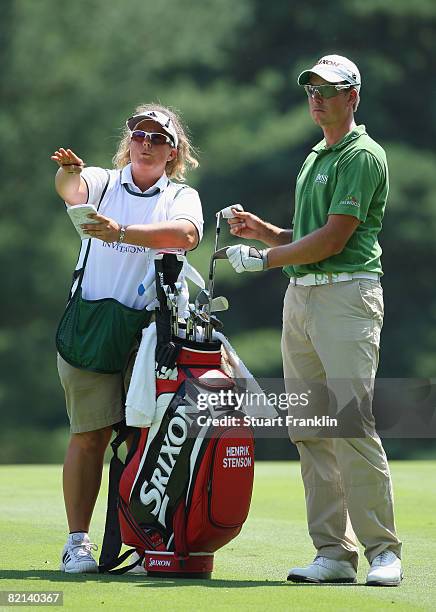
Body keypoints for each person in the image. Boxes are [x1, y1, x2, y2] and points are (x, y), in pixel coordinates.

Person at [226, 55, 402, 586]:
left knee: (351, 422)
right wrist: (264, 234)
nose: (317, 97)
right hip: (301, 300)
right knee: (310, 429)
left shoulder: (362, 155)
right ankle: (333, 553)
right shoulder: (315, 158)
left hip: (347, 297)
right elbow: (304, 240)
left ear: (353, 97)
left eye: (329, 89)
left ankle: (383, 552)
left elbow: (333, 240)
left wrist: (263, 261)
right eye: (312, 89)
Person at [51, 104, 203, 573]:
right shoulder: (102, 180)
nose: (147, 144)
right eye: (140, 135)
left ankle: (143, 540)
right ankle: (78, 542)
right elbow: (72, 191)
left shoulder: (180, 195)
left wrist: (122, 231)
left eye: (158, 138)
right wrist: (68, 174)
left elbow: (186, 234)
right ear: (129, 140)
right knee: (89, 436)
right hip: (93, 326)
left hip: (149, 336)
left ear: (173, 151)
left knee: (147, 442)